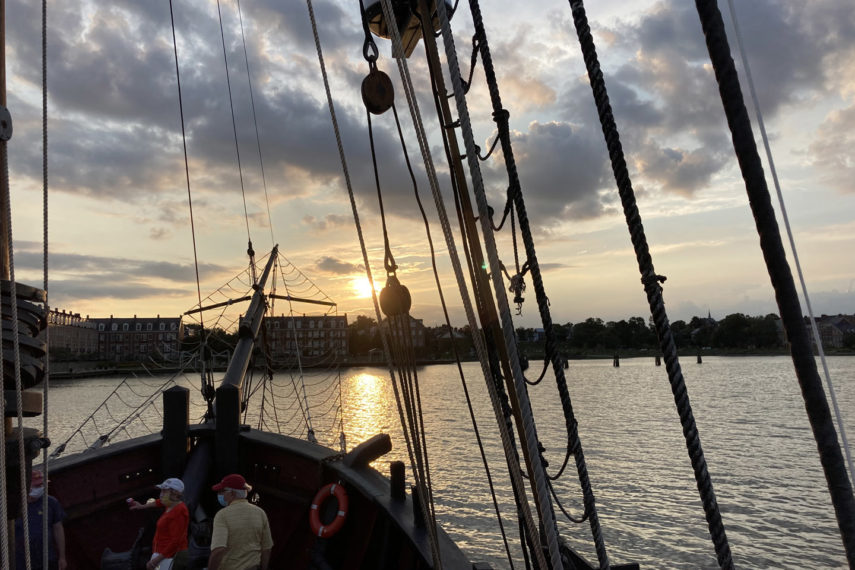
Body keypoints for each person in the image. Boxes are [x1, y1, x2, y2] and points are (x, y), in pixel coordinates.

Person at [207, 474, 273, 570]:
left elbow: (218, 550)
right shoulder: (260, 513)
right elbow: (266, 548)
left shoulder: (222, 515)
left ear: (232, 493)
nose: (219, 494)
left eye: (222, 491)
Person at [128, 477, 189, 570]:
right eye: (161, 491)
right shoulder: (171, 504)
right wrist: (142, 506)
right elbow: (159, 502)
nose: (161, 494)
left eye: (164, 491)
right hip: (163, 554)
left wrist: (154, 562)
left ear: (175, 494)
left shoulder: (179, 512)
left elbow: (175, 542)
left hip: (173, 557)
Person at [15, 470, 67, 570]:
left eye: (41, 485)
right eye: (37, 486)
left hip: (47, 558)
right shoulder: (14, 508)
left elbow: (58, 528)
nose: (41, 488)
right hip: (21, 562)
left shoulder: (51, 503)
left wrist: (62, 557)